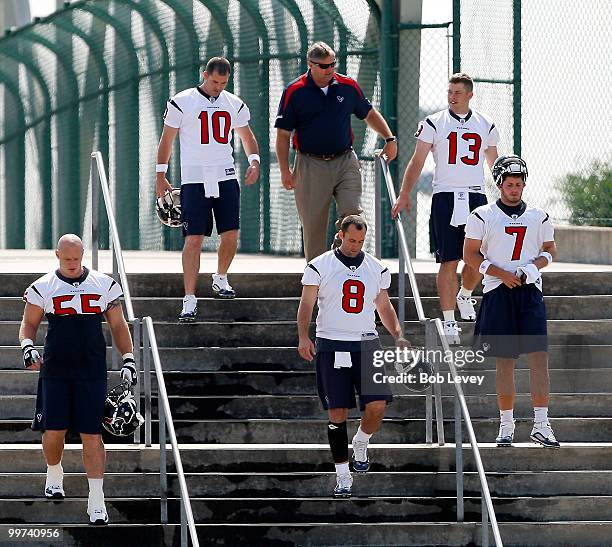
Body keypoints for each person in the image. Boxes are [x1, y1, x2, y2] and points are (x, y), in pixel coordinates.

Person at [20, 234, 138, 524]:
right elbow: (29, 324)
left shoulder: (104, 284)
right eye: (67, 259)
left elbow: (119, 325)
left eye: (77, 259)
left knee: (92, 435)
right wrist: (27, 348)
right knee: (54, 431)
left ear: (83, 255)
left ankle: (96, 499)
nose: (73, 265)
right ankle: (54, 470)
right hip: (56, 369)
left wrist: (128, 359)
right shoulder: (42, 286)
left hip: (91, 369)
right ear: (57, 255)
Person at [297, 215, 408, 497]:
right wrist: (303, 336)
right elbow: (307, 303)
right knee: (337, 413)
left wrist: (398, 335)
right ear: (341, 235)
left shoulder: (376, 268)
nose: (356, 245)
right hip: (331, 342)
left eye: (360, 241)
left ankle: (361, 440)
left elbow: (384, 306)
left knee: (378, 405)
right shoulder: (320, 265)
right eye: (351, 240)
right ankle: (343, 474)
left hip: (366, 344)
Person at [392, 73, 499, 345]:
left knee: (478, 257)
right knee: (449, 259)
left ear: (470, 95)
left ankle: (465, 294)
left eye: (458, 93)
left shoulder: (485, 124)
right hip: (446, 197)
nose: (452, 97)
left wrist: (505, 200)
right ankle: (449, 319)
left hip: (476, 197)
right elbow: (417, 161)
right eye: (449, 92)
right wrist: (405, 194)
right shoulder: (433, 122)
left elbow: (494, 164)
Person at [463, 155, 560, 449]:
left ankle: (542, 424)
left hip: (529, 291)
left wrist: (534, 267)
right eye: (509, 184)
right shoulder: (483, 215)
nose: (514, 189)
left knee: (538, 358)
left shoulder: (539, 216)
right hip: (497, 291)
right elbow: (470, 254)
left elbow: (551, 250)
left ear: (524, 184)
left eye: (519, 184)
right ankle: (506, 425)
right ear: (499, 185)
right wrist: (500, 274)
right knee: (504, 362)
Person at [156, 56, 260, 321]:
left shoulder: (233, 102)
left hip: (225, 175)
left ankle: (221, 277)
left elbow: (246, 135)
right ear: (204, 75)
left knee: (231, 234)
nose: (218, 87)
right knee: (193, 239)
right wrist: (160, 174)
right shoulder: (183, 100)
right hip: (194, 178)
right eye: (214, 81)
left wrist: (254, 160)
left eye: (223, 83)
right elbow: (167, 139)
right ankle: (189, 298)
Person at [275, 41, 397, 261]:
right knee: (314, 228)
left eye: (332, 64)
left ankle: (340, 262)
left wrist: (389, 138)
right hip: (310, 164)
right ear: (310, 65)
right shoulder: (294, 91)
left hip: (345, 160)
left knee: (353, 215)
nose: (329, 69)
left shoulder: (347, 86)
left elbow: (368, 113)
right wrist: (285, 170)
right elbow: (283, 135)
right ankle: (318, 280)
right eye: (323, 66)